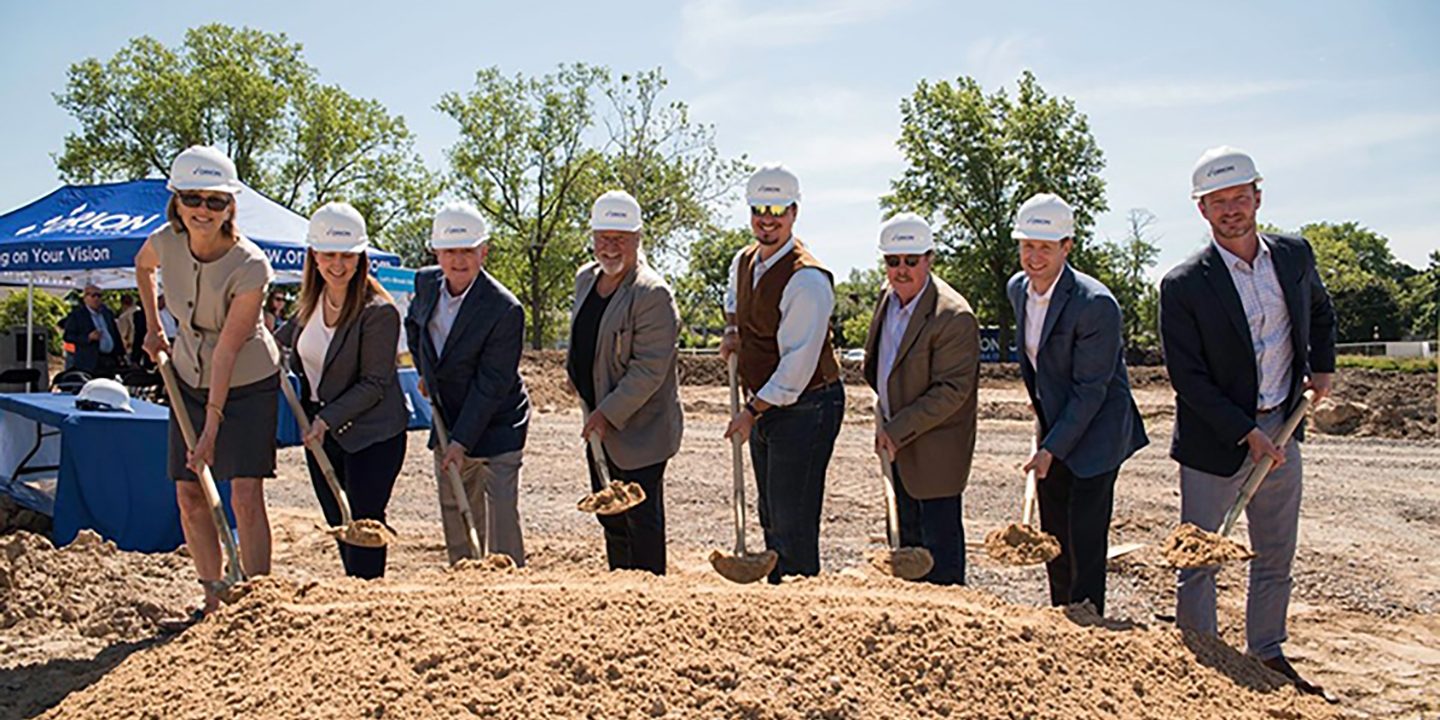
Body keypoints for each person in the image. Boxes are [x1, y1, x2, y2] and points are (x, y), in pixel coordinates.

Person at [1162, 146, 1336, 698]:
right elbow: (1187, 376)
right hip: (1217, 442)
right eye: (1218, 201)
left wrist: (1322, 369)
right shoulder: (1184, 284)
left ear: (1258, 196)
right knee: (1201, 556)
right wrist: (1245, 430)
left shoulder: (1293, 256)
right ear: (1203, 211)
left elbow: (1321, 311)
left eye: (1240, 197)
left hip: (1283, 427)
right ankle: (1202, 663)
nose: (1231, 209)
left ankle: (1267, 652)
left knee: (1275, 551)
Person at [135, 145, 280, 615]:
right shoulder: (164, 241)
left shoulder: (250, 265)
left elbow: (228, 349)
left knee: (242, 491)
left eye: (215, 201)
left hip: (246, 381)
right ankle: (214, 598)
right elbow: (143, 267)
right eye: (193, 198)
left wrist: (213, 427)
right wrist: (154, 329)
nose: (203, 210)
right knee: (189, 492)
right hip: (187, 375)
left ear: (230, 207)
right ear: (176, 201)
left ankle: (258, 600)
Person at [1006, 193, 1148, 616]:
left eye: (1045, 248)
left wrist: (1052, 449)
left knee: (1084, 535)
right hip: (1057, 424)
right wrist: (1043, 417)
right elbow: (1037, 360)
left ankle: (1087, 622)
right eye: (1027, 245)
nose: (1034, 257)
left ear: (1067, 246)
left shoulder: (1095, 304)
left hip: (1098, 431)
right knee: (1054, 536)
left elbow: (1092, 389)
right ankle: (1060, 618)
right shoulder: (1018, 289)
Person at [721, 164, 845, 584]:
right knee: (770, 510)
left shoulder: (806, 279)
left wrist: (751, 412)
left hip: (808, 403)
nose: (766, 219)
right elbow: (734, 299)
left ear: (793, 212)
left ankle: (801, 598)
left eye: (776, 209)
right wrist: (732, 331)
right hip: (769, 401)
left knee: (792, 516)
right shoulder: (744, 260)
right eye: (759, 209)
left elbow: (794, 369)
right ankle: (778, 596)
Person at [274, 202, 408, 579]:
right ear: (313, 256)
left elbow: (375, 382)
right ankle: (354, 589)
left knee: (363, 523)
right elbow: (275, 347)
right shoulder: (307, 307)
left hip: (372, 435)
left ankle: (367, 598)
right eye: (329, 255)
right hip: (323, 433)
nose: (338, 264)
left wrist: (325, 420)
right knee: (337, 518)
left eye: (347, 256)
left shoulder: (378, 311)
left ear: (360, 257)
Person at [405, 202, 529, 567]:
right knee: (456, 501)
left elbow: (491, 383)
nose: (459, 260)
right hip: (450, 410)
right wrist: (425, 372)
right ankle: (464, 575)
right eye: (450, 251)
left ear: (484, 252)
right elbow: (415, 327)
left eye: (467, 251)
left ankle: (510, 579)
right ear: (436, 252)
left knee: (501, 508)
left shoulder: (504, 309)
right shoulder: (426, 283)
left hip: (498, 419)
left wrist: (460, 442)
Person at [566, 191, 682, 575]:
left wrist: (606, 413)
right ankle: (620, 590)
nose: (609, 247)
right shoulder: (586, 279)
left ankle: (648, 596)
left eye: (620, 238)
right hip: (598, 422)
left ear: (638, 238)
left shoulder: (651, 293)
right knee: (611, 516)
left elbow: (649, 369)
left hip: (641, 430)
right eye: (603, 237)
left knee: (640, 519)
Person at [862, 213, 979, 586]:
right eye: (892, 261)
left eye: (911, 260)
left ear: (929, 258)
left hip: (934, 453)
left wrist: (896, 429)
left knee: (939, 558)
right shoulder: (887, 298)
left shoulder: (953, 316)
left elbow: (952, 391)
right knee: (906, 550)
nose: (901, 270)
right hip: (895, 444)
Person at [61, 284, 125, 378]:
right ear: (85, 298)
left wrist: (121, 355)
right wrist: (88, 338)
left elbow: (115, 334)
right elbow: (68, 336)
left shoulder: (107, 313)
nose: (96, 299)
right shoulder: (77, 315)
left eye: (99, 296)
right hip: (89, 362)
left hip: (109, 361)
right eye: (93, 295)